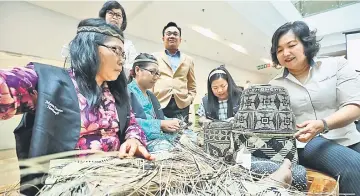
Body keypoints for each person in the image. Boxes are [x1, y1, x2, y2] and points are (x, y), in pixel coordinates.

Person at [0, 18, 153, 195]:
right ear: (89, 46)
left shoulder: (116, 93)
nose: (121, 60)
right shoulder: (49, 81)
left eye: (123, 54)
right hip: (67, 182)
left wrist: (134, 139)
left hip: (115, 176)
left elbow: (132, 123)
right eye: (115, 50)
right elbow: (8, 85)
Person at [269, 21, 360, 194]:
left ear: (306, 43)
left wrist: (323, 124)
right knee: (355, 167)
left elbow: (354, 105)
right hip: (308, 143)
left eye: (291, 45)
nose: (285, 53)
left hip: (347, 135)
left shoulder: (337, 65)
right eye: (279, 50)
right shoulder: (274, 85)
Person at [127, 53, 184, 152]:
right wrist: (160, 124)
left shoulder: (151, 95)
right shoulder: (127, 93)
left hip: (159, 136)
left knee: (190, 137)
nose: (156, 77)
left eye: (158, 74)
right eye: (153, 72)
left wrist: (172, 122)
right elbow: (128, 122)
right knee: (164, 147)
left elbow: (158, 117)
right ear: (137, 70)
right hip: (141, 139)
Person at [152, 22, 196, 122]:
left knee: (182, 135)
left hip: (182, 104)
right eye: (169, 33)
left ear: (180, 40)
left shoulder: (188, 60)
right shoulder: (154, 57)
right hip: (159, 103)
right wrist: (151, 101)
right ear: (163, 38)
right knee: (160, 134)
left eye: (175, 34)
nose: (172, 36)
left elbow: (192, 84)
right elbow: (151, 81)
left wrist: (190, 99)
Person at [99, 0, 138, 78]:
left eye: (118, 15)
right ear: (104, 16)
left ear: (122, 21)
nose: (114, 17)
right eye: (111, 13)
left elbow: (133, 66)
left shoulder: (128, 45)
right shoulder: (95, 37)